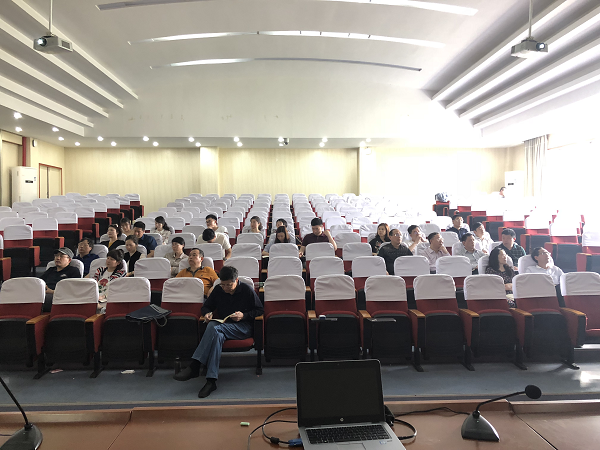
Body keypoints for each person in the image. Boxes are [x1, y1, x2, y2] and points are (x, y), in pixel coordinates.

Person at [173, 266, 263, 398]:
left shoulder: (246, 290)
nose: (225, 288)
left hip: (243, 327)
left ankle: (195, 365)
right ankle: (211, 381)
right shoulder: (218, 290)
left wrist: (243, 315)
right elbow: (206, 306)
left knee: (214, 328)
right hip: (223, 325)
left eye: (229, 285)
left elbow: (259, 310)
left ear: (236, 280)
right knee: (217, 335)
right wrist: (207, 313)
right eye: (223, 285)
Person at [40, 247, 81, 312]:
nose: (58, 258)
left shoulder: (73, 270)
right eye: (56, 256)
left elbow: (74, 290)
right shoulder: (51, 270)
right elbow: (40, 281)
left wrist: (53, 292)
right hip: (44, 293)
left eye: (61, 256)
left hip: (61, 297)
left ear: (69, 260)